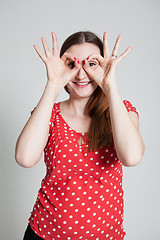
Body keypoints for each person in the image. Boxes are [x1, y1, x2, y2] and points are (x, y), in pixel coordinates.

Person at [15, 31, 145, 240]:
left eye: (91, 64)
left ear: (103, 66)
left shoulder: (121, 111)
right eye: (72, 65)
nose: (81, 74)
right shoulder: (50, 114)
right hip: (44, 233)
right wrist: (53, 85)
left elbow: (131, 157)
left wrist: (109, 86)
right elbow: (24, 158)